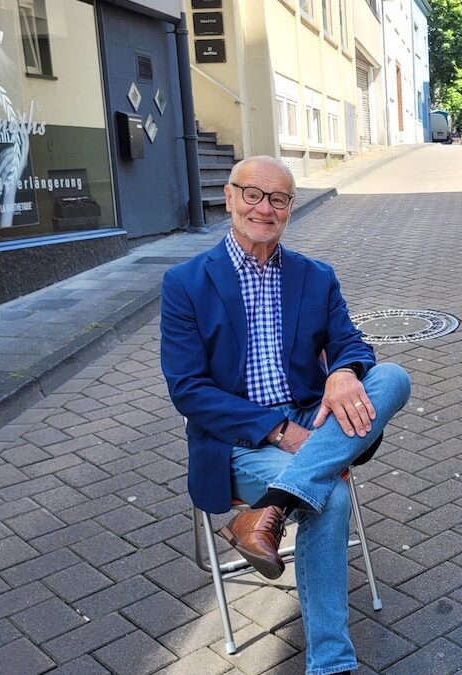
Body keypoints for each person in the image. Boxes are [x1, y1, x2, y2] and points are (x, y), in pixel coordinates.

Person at [161, 156, 411, 675]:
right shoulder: (186, 283)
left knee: (392, 379)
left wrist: (343, 372)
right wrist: (276, 430)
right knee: (330, 494)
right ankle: (332, 664)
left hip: (316, 421)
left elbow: (351, 342)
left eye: (278, 199)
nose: (264, 208)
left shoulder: (315, 277)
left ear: (290, 209)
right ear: (229, 198)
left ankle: (267, 510)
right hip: (238, 441)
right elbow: (188, 390)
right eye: (252, 194)